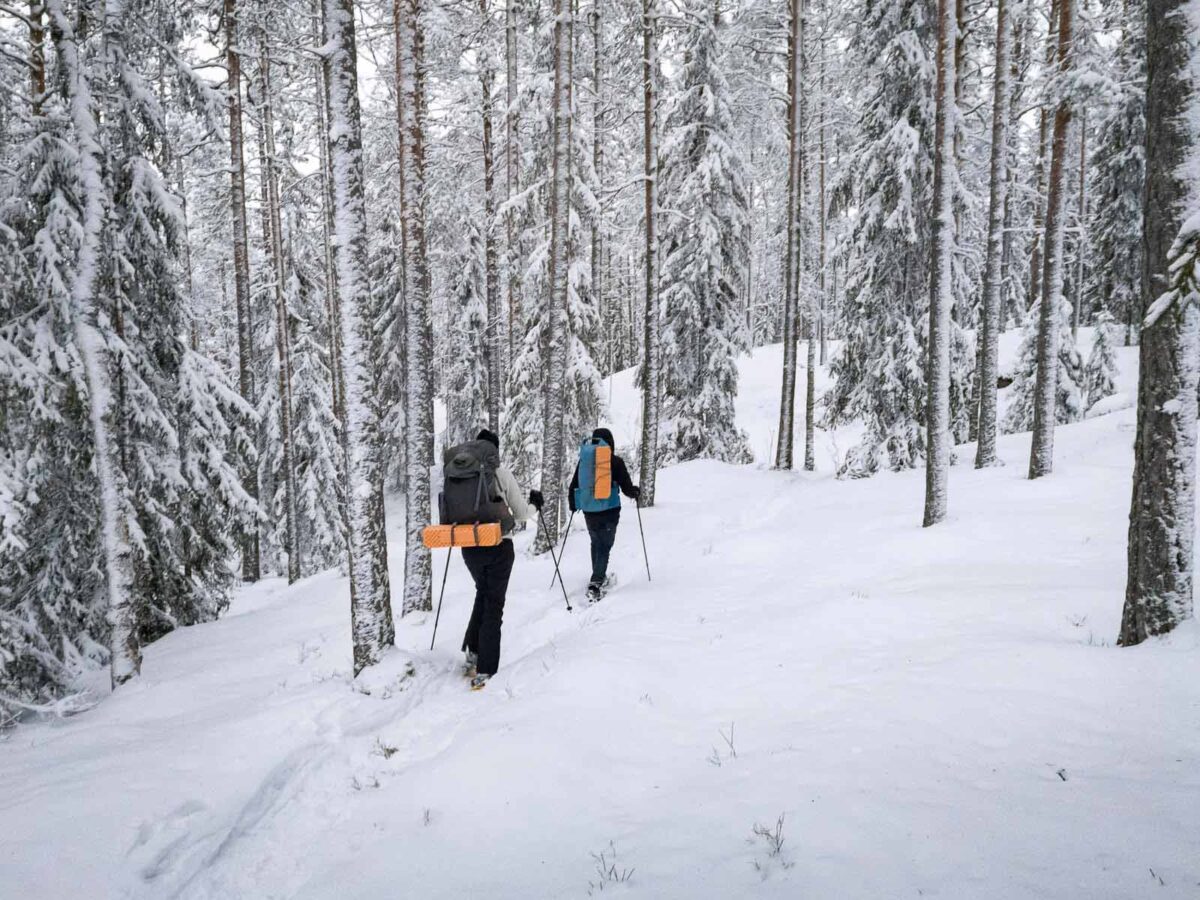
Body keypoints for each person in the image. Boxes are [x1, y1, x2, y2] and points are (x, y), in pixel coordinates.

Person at [461, 428, 543, 690]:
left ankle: (472, 652)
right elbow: (520, 514)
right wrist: (535, 505)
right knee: (493, 604)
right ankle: (486, 668)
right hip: (497, 545)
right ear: (495, 451)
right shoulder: (501, 474)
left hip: (469, 546)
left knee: (481, 593)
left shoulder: (462, 474)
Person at [567, 427, 640, 602]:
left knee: (596, 542)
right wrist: (636, 492)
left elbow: (573, 485)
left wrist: (573, 505)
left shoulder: (584, 463)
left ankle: (597, 575)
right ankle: (596, 581)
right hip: (610, 511)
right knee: (605, 546)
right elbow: (627, 489)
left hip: (589, 511)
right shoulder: (615, 461)